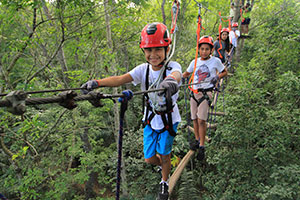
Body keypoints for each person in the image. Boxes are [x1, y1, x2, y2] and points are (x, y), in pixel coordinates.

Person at [81, 22, 182, 200]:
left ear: (167, 48)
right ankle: (164, 167)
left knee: (165, 156)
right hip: (151, 119)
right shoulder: (143, 70)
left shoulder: (172, 67)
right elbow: (120, 79)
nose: (153, 54)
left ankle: (164, 182)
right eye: (148, 50)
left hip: (168, 119)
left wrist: (170, 82)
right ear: (143, 51)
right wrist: (97, 82)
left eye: (158, 49)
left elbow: (176, 75)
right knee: (149, 158)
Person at [182, 36, 227, 160]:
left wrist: (217, 77)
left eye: (207, 49)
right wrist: (175, 79)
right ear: (199, 49)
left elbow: (224, 71)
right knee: (194, 119)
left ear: (211, 50)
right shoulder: (195, 61)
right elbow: (187, 73)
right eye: (202, 49)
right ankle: (197, 140)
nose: (204, 51)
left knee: (202, 120)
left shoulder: (215, 61)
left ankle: (202, 145)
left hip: (206, 93)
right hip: (194, 92)